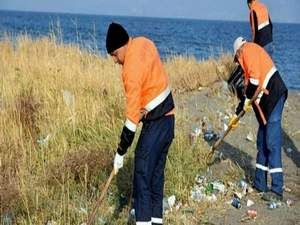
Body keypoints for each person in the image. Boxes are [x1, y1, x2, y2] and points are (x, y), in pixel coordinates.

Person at [106, 22, 175, 225]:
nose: (114, 60)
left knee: (142, 177)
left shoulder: (129, 69)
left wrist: (120, 153)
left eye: (114, 55)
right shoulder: (144, 42)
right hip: (169, 119)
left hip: (156, 124)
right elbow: (152, 82)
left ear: (120, 47)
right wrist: (147, 108)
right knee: (155, 178)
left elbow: (131, 120)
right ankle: (155, 221)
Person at [229, 37, 288, 201]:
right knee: (261, 142)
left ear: (238, 51)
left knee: (272, 143)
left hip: (274, 97)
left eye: (236, 58)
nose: (237, 62)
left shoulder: (248, 50)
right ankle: (260, 183)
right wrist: (238, 112)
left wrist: (248, 99)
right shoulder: (248, 60)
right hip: (266, 105)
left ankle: (277, 190)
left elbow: (254, 83)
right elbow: (249, 90)